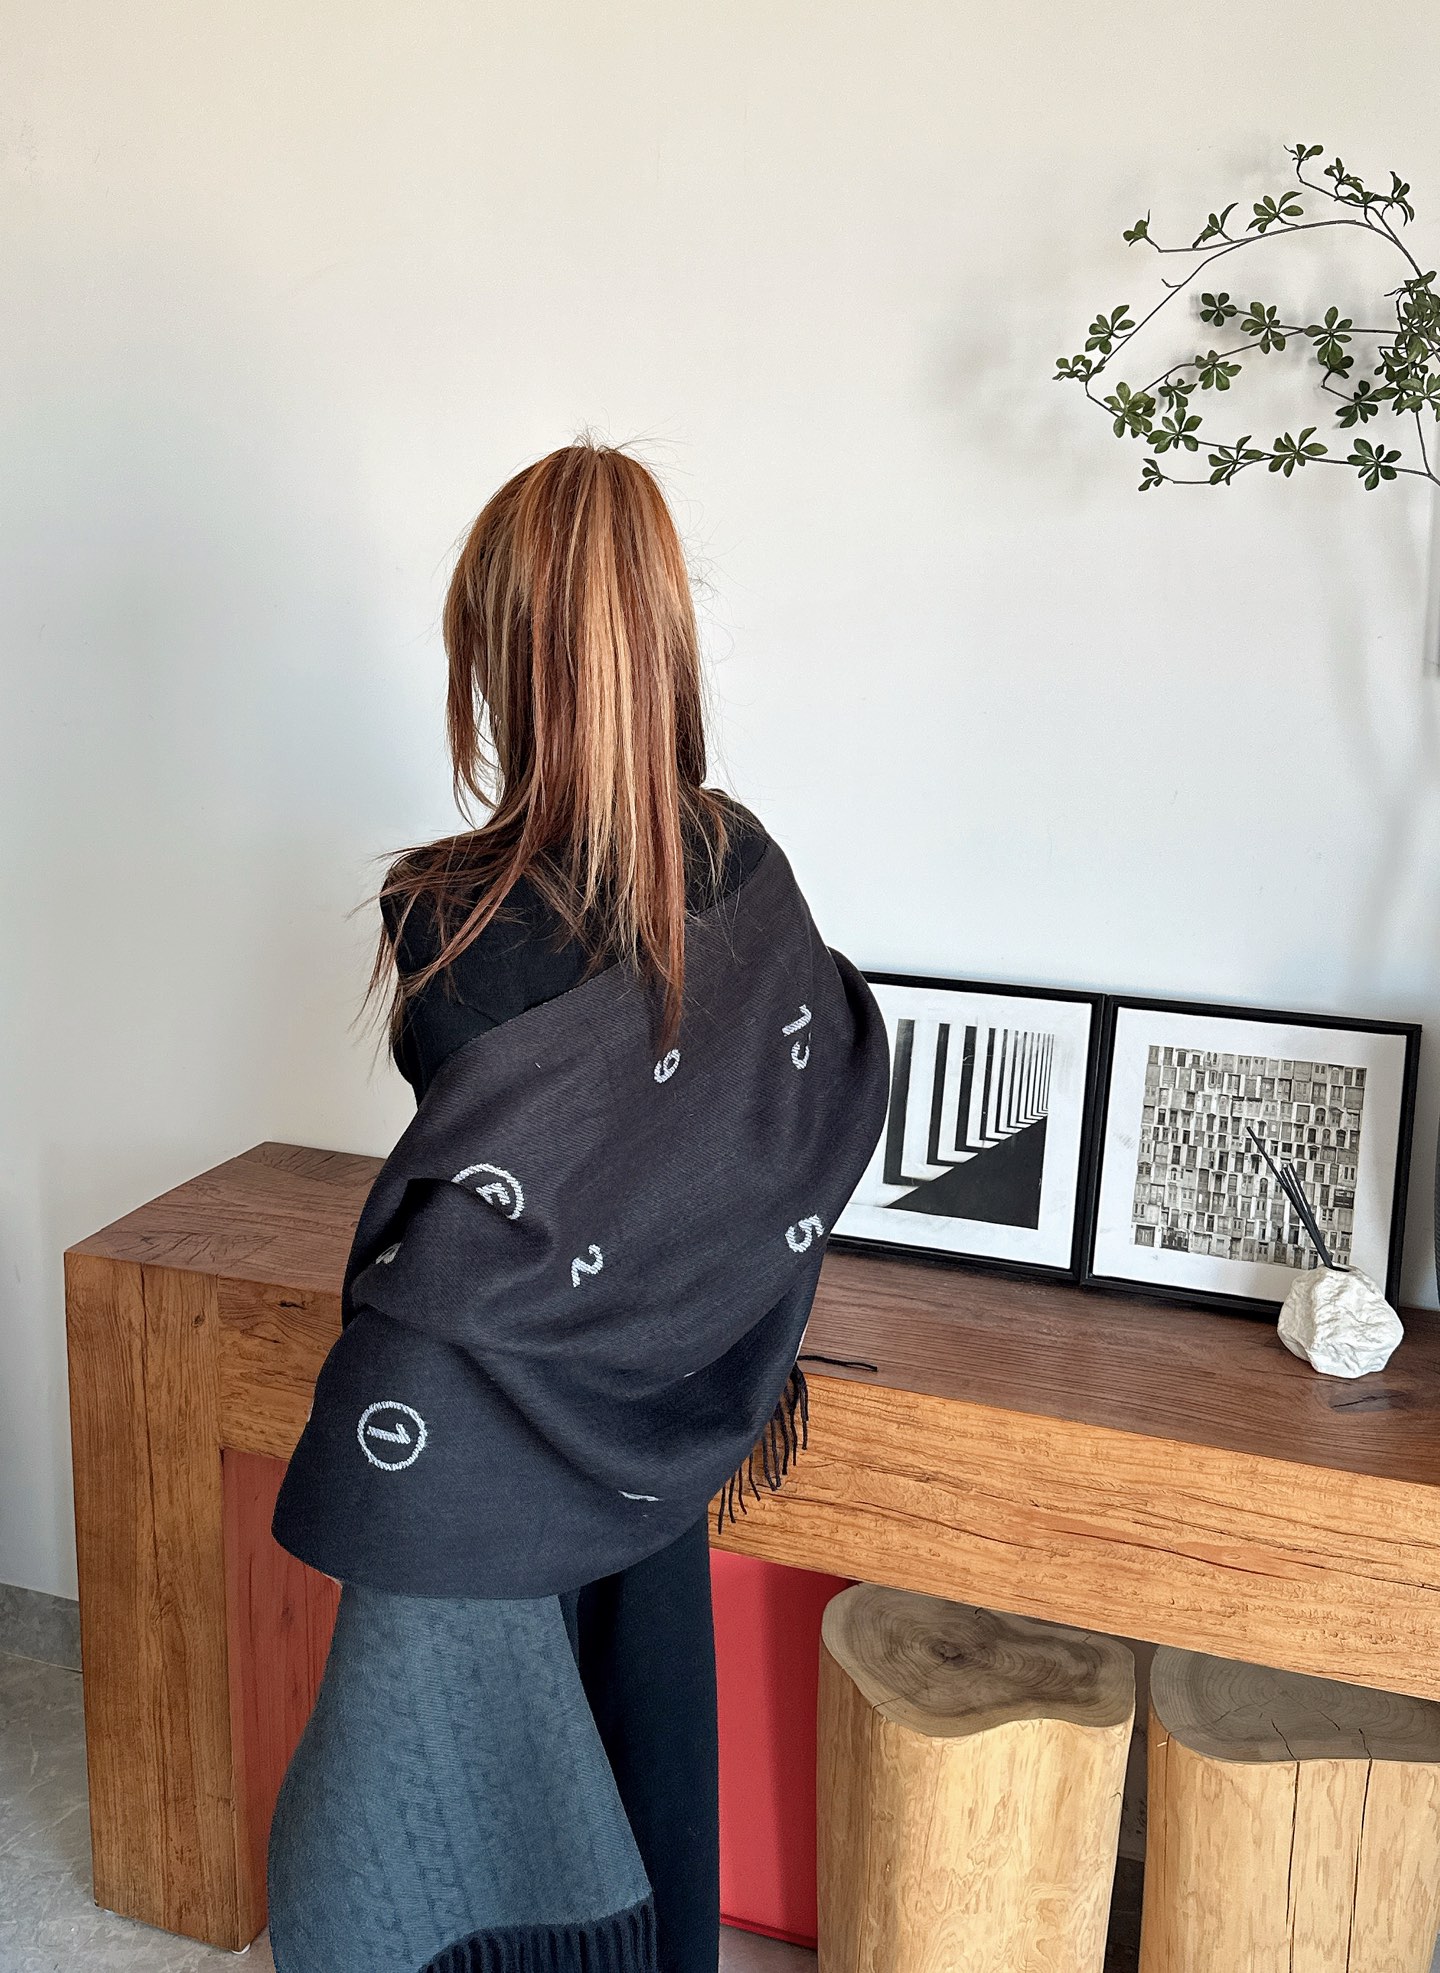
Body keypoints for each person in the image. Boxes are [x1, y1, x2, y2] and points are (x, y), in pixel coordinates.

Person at [267, 441, 888, 1973]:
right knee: (637, 1733)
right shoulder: (747, 869)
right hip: (660, 1398)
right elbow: (809, 1112)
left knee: (490, 1809)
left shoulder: (442, 908)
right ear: (666, 636)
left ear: (493, 656)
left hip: (480, 1418)